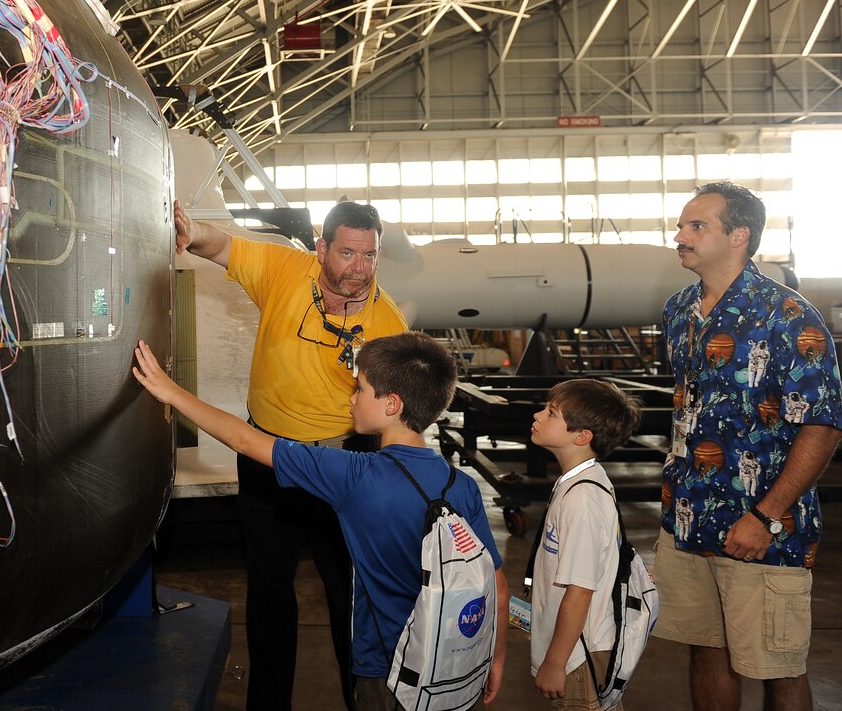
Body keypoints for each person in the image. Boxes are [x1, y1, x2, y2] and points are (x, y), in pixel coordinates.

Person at [132, 331, 508, 710]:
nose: (351, 399)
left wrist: (171, 392)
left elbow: (246, 440)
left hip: (389, 675)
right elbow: (497, 586)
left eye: (360, 389)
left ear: (392, 404)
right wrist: (496, 658)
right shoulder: (462, 485)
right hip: (453, 671)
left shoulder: (353, 476)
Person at [175, 200, 408, 709]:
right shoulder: (284, 270)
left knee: (349, 595)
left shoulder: (387, 322)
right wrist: (191, 230)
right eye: (347, 253)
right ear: (321, 248)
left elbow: (399, 417)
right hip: (268, 461)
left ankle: (361, 698)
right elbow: (220, 246)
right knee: (268, 593)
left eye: (370, 256)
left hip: (344, 467)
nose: (359, 269)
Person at [654, 181, 842, 711]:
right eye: (682, 224)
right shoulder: (679, 310)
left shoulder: (788, 316)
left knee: (777, 666)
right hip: (688, 518)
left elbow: (822, 426)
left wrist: (766, 515)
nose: (679, 235)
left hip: (761, 525)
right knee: (706, 651)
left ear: (739, 236)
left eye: (696, 226)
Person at [528, 379, 643, 709]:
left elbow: (580, 591)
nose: (537, 416)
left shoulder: (583, 500)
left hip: (578, 657)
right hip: (573, 651)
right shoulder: (576, 483)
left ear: (581, 437)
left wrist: (555, 662)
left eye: (551, 413)